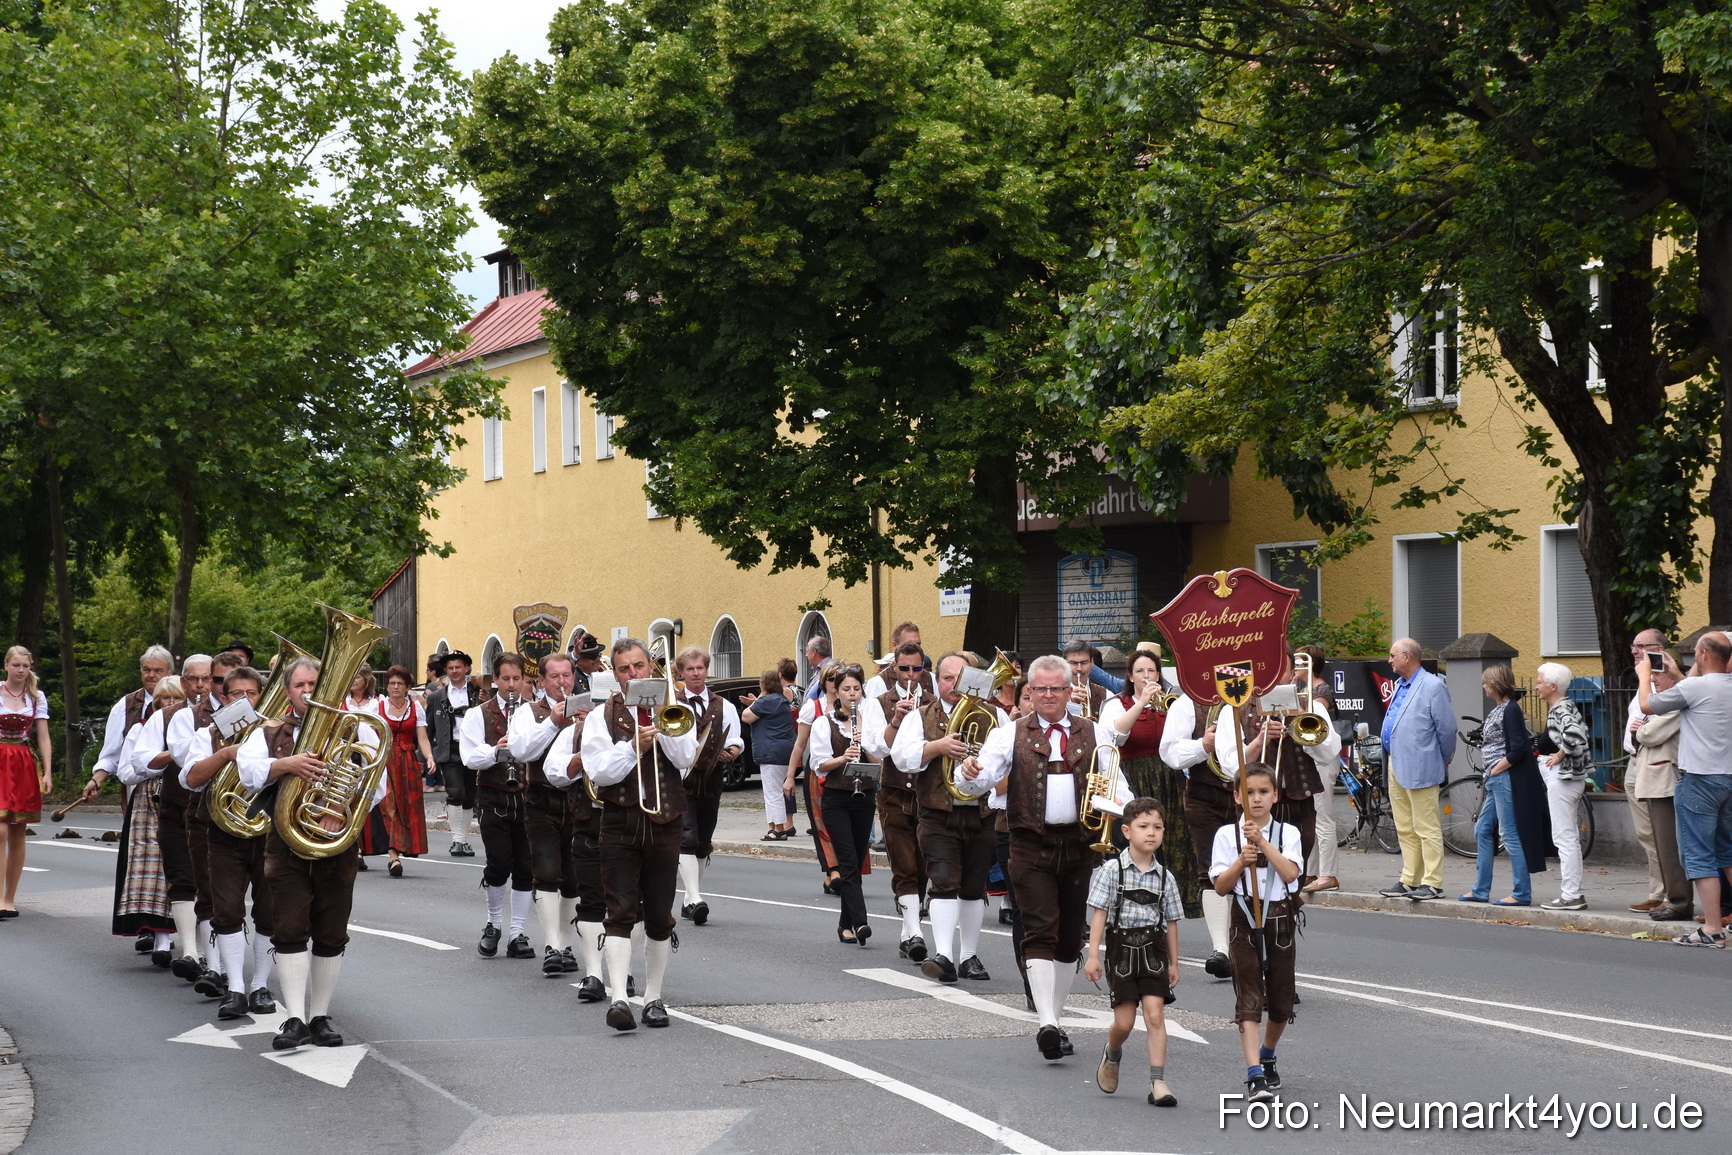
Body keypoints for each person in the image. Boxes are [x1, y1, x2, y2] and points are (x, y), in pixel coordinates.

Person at [956, 654, 1132, 1062]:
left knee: (1070, 937)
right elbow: (984, 779)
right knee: (1039, 928)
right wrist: (969, 771)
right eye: (1041, 689)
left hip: (1079, 846)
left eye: (1057, 688)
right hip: (1029, 843)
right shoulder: (1009, 733)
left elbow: (1121, 789)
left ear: (1070, 691)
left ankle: (1056, 1017)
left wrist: (1116, 809)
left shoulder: (1096, 733)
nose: (1049, 695)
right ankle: (1047, 1022)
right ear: (1029, 693)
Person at [236, 655, 384, 1050]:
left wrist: (342, 808)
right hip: (286, 843)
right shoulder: (268, 730)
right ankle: (294, 1019)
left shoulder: (357, 729)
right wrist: (285, 764)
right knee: (288, 927)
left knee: (332, 931)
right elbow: (248, 771)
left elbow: (377, 784)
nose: (307, 692)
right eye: (300, 686)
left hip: (336, 844)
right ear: (287, 691)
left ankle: (319, 1015)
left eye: (315, 686)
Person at [578, 637, 699, 1029]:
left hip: (665, 823)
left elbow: (685, 760)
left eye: (640, 666)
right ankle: (618, 999)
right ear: (615, 675)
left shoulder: (671, 708)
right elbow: (599, 772)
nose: (635, 674)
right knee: (620, 911)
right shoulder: (602, 715)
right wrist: (634, 747)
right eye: (626, 669)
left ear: (652, 667)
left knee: (660, 915)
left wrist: (663, 727)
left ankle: (654, 998)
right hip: (620, 822)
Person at [890, 652, 1003, 977]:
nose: (954, 685)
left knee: (973, 885)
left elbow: (1008, 758)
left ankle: (968, 955)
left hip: (980, 813)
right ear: (936, 681)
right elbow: (902, 757)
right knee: (942, 881)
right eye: (947, 678)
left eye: (961, 678)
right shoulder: (920, 715)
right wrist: (937, 747)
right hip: (937, 812)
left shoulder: (993, 715)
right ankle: (943, 955)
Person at [181, 666, 278, 1018]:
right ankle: (236, 987)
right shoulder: (208, 735)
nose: (243, 701)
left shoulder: (276, 732)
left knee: (269, 911)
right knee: (226, 911)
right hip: (223, 832)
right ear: (223, 699)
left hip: (267, 830)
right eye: (236, 695)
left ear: (260, 697)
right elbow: (191, 778)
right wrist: (225, 753)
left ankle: (260, 986)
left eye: (250, 694)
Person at [1211, 762, 1301, 1104]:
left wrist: (1261, 843)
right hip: (1244, 916)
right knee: (1249, 996)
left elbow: (1291, 874)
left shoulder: (1287, 833)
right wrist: (1239, 861)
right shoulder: (1226, 836)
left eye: (1263, 792)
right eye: (1249, 793)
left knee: (1279, 1000)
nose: (1257, 799)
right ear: (1237, 797)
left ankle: (1268, 1052)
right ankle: (1254, 1074)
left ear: (1275, 796)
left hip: (1279, 918)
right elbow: (1220, 886)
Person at [1084, 796, 1181, 1108]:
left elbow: (1171, 923)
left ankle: (1158, 1081)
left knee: (1155, 1014)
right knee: (1124, 1023)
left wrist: (1174, 963)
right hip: (1121, 951)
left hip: (1154, 951)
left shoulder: (1166, 877)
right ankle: (1112, 1052)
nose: (1151, 833)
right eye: (1143, 826)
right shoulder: (1112, 871)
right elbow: (1099, 914)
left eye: (1157, 827)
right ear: (1126, 831)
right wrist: (1094, 955)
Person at [1637, 631, 1732, 947]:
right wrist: (1678, 675)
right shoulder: (1721, 687)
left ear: (1703, 654)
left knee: (1700, 856)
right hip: (1728, 778)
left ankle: (1713, 929)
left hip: (1699, 781)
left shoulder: (1695, 687)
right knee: (1728, 853)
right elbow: (1695, 693)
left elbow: (1648, 705)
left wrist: (1644, 674)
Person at [1099, 649, 1201, 918]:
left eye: (1152, 671)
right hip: (1133, 779)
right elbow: (1115, 736)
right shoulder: (1115, 704)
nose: (1146, 676)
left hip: (1168, 779)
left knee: (1174, 841)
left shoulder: (1172, 703)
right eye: (1141, 671)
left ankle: (1171, 907)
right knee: (1137, 843)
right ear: (1130, 675)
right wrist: (1140, 702)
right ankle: (1133, 905)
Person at [506, 652, 587, 977]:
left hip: (577, 800)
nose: (562, 682)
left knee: (573, 877)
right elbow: (522, 750)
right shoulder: (528, 712)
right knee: (546, 871)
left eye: (567, 675)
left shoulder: (586, 710)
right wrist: (553, 720)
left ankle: (565, 946)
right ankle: (552, 946)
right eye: (555, 677)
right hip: (541, 800)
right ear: (541, 681)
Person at [95, 645, 176, 956]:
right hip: (147, 803)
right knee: (149, 870)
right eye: (147, 670)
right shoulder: (132, 716)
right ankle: (158, 935)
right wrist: (98, 778)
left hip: (184, 801)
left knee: (183, 870)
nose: (151, 675)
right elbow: (118, 762)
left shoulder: (193, 723)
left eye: (158, 670)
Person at [127, 670, 206, 978]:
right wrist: (177, 749)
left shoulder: (227, 713)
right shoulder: (162, 720)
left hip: (213, 806)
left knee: (214, 884)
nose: (200, 684)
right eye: (193, 678)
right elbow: (136, 764)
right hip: (168, 803)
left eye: (207, 678)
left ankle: (214, 958)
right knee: (178, 878)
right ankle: (186, 950)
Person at [458, 653, 537, 959]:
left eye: (517, 679)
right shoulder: (480, 713)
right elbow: (469, 757)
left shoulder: (531, 712)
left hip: (528, 797)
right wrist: (496, 750)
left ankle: (517, 933)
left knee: (525, 866)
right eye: (506, 679)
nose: (512, 685)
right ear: (496, 681)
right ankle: (493, 924)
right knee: (499, 862)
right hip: (493, 795)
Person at [1159, 685, 1237, 978]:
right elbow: (1170, 753)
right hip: (1206, 794)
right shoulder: (1191, 701)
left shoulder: (1257, 694)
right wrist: (1203, 745)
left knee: (1257, 871)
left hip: (1252, 792)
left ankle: (1250, 944)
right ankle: (1222, 950)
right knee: (1212, 869)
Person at [863, 640, 934, 957]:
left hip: (928, 793)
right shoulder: (878, 703)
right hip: (893, 793)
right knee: (904, 865)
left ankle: (908, 933)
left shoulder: (934, 703)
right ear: (894, 669)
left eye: (916, 668)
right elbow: (878, 749)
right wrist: (896, 720)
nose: (910, 674)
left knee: (923, 868)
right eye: (903, 668)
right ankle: (916, 933)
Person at [808, 664, 882, 945]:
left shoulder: (870, 720)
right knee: (848, 862)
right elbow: (820, 765)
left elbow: (880, 761)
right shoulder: (823, 723)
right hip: (837, 799)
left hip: (864, 798)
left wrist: (868, 747)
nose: (852, 694)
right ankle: (861, 922)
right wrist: (844, 757)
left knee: (857, 860)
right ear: (835, 692)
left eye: (856, 689)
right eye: (846, 689)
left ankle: (845, 925)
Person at [1378, 638, 1455, 902]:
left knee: (1426, 826)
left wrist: (1444, 758)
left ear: (1408, 656)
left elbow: (1446, 729)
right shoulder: (1400, 685)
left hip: (1421, 764)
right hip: (1396, 762)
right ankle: (1410, 878)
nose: (1389, 660)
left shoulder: (1433, 686)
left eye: (1392, 655)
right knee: (1404, 826)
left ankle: (1432, 882)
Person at [672, 646, 743, 927]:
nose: (696, 673)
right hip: (681, 780)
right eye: (690, 669)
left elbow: (736, 739)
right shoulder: (672, 702)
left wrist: (732, 752)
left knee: (703, 842)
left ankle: (690, 899)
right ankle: (694, 897)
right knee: (687, 837)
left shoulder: (723, 705)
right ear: (681, 673)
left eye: (700, 668)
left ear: (706, 669)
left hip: (712, 779)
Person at [1461, 664, 1537, 906]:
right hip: (1495, 779)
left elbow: (1518, 750)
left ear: (1495, 684)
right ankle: (1480, 890)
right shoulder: (1500, 709)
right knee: (1482, 829)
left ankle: (1521, 893)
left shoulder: (1510, 710)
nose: (1483, 686)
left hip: (1503, 778)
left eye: (1486, 682)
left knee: (1509, 834)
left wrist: (1496, 768)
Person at [1626, 664, 1691, 921]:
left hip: (1664, 780)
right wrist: (1638, 731)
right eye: (1651, 674)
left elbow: (1649, 733)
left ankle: (1678, 900)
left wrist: (1640, 730)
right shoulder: (1667, 703)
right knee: (1662, 845)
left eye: (1659, 674)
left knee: (1669, 845)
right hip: (1655, 779)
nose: (1653, 679)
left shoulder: (1675, 703)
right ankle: (1673, 899)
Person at [1623, 630, 1678, 914]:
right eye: (1633, 645)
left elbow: (1651, 726)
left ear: (1658, 649)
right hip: (1636, 761)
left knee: (1659, 834)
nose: (1635, 650)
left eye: (1641, 646)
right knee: (1646, 834)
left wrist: (1640, 733)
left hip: (1655, 763)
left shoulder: (1663, 677)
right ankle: (1658, 891)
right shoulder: (1645, 677)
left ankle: (1669, 894)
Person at [362, 666, 433, 878]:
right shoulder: (378, 706)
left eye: (399, 683)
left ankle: (401, 848)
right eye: (392, 683)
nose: (395, 687)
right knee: (388, 805)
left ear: (407, 687)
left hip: (407, 762)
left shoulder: (415, 708)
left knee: (406, 807)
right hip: (384, 760)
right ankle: (394, 857)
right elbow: (366, 733)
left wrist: (429, 756)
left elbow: (422, 738)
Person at [1533, 662, 1591, 910]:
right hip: (1568, 778)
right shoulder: (1564, 706)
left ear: (1552, 686)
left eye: (1539, 682)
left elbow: (1576, 735)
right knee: (1568, 838)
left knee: (1564, 838)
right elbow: (1581, 730)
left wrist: (1559, 755)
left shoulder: (1560, 709)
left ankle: (1571, 895)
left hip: (1563, 778)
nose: (1536, 686)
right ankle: (1572, 893)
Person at [0, 645, 52, 918]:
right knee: (0, 830)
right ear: (6, 665)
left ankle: (9, 898)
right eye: (16, 665)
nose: (21, 670)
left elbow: (43, 737)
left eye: (25, 666)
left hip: (22, 760)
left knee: (18, 830)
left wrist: (47, 771)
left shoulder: (36, 696)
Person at [426, 650, 478, 857]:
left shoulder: (478, 693)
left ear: (466, 668)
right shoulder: (437, 697)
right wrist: (426, 754)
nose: (455, 671)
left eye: (458, 667)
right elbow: (429, 727)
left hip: (474, 749)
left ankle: (463, 840)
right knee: (455, 792)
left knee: (470, 796)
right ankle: (458, 840)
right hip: (450, 749)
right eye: (450, 668)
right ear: (446, 671)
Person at [741, 670, 796, 840]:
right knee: (778, 790)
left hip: (770, 751)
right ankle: (773, 826)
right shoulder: (782, 700)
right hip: (786, 751)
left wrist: (755, 701)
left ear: (764, 684)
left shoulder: (766, 700)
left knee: (772, 792)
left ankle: (779, 830)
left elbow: (746, 717)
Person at [863, 623, 933, 698]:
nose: (914, 648)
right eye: (908, 644)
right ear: (894, 646)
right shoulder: (878, 683)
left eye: (918, 644)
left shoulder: (931, 679)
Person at [1063, 640, 1109, 720]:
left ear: (1092, 663)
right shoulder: (1052, 693)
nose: (1079, 669)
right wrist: (1070, 704)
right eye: (1074, 663)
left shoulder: (1106, 694)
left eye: (1084, 663)